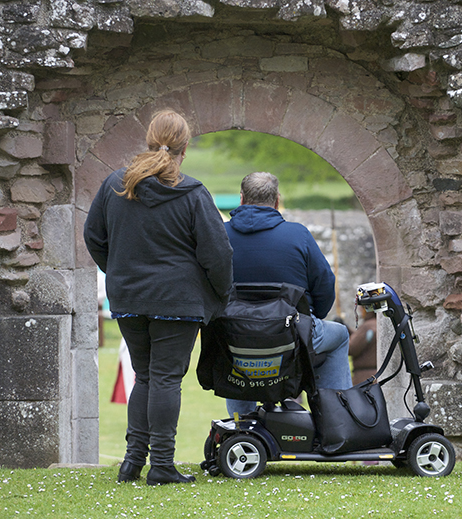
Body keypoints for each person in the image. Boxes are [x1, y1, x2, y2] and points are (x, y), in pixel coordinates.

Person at [84, 110, 233, 485]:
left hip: (128, 296)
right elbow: (217, 254)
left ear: (149, 139)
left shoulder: (115, 185)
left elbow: (94, 238)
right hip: (177, 300)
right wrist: (221, 293)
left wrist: (118, 270)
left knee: (145, 376)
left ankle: (133, 462)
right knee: (165, 378)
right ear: (185, 147)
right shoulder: (193, 193)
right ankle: (162, 465)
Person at [224, 172, 352, 417]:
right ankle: (335, 418)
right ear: (277, 201)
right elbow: (324, 283)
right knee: (340, 335)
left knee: (232, 345)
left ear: (241, 199)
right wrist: (313, 316)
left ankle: (241, 424)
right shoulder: (298, 235)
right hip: (292, 335)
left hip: (235, 337)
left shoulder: (221, 236)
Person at [349, 308, 377, 385]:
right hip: (377, 375)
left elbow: (352, 348)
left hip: (364, 378)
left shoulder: (367, 326)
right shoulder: (379, 325)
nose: (360, 310)